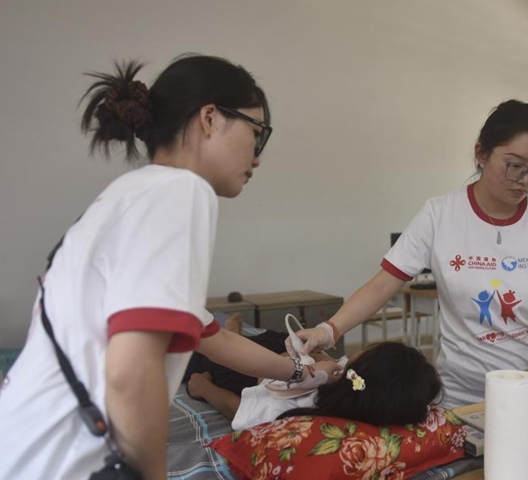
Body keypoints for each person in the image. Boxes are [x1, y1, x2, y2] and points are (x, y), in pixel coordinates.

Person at [0, 55, 342, 480]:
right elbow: (131, 370)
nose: (257, 156)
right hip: (58, 461)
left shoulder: (131, 193)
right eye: (256, 133)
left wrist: (301, 372)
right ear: (211, 118)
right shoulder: (182, 192)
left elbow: (214, 340)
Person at [290, 99, 528, 408]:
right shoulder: (440, 215)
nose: (526, 181)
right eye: (515, 166)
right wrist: (330, 329)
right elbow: (383, 285)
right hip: (461, 396)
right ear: (481, 153)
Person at [187, 341, 442, 429]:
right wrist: (322, 362)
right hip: (291, 362)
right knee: (275, 340)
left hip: (258, 374)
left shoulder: (301, 411)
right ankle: (237, 333)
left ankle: (232, 335)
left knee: (201, 357)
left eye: (365, 350)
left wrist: (203, 388)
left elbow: (239, 406)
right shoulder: (368, 397)